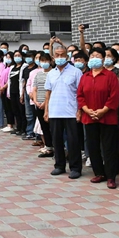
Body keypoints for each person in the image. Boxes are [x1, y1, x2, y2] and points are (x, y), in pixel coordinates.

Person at [78, 47, 119, 188]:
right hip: (89, 117)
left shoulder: (110, 76)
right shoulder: (85, 76)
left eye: (98, 56)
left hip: (107, 117)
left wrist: (103, 110)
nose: (94, 58)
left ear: (103, 59)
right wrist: (86, 110)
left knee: (108, 148)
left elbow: (114, 96)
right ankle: (99, 173)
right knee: (93, 146)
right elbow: (80, 96)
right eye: (92, 56)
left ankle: (111, 176)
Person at [44, 43, 84, 179]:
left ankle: (75, 168)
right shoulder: (51, 73)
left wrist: (79, 111)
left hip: (71, 112)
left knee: (73, 141)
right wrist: (46, 111)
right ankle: (59, 166)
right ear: (53, 57)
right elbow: (48, 93)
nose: (60, 57)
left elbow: (80, 94)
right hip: (55, 111)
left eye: (62, 55)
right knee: (57, 141)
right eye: (57, 55)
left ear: (67, 56)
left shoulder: (76, 72)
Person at [32, 53, 53, 156]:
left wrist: (45, 103)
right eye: (42, 60)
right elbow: (35, 88)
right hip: (38, 103)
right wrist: (35, 101)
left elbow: (51, 90)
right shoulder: (38, 74)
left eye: (46, 60)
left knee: (51, 127)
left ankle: (53, 147)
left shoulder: (53, 73)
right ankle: (48, 146)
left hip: (49, 104)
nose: (44, 63)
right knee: (43, 127)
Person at [8, 51, 27, 137]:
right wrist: (8, 92)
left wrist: (22, 94)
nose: (17, 57)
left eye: (19, 55)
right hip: (12, 92)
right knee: (15, 110)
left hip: (19, 92)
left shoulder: (24, 66)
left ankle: (23, 129)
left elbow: (23, 81)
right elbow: (9, 81)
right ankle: (18, 127)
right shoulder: (12, 67)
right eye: (15, 55)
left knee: (21, 111)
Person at [22, 52, 37, 140]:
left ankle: (35, 133)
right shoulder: (25, 69)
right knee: (28, 114)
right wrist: (23, 93)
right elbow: (25, 82)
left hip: (34, 93)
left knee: (34, 113)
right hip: (26, 92)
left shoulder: (36, 69)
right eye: (27, 57)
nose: (28, 59)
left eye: (30, 57)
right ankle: (29, 131)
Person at [0, 52, 16, 132]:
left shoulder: (12, 67)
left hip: (7, 89)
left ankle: (11, 124)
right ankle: (8, 124)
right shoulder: (5, 67)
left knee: (10, 108)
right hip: (3, 89)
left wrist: (4, 87)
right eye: (7, 57)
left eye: (9, 57)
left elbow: (9, 80)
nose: (7, 59)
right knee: (6, 107)